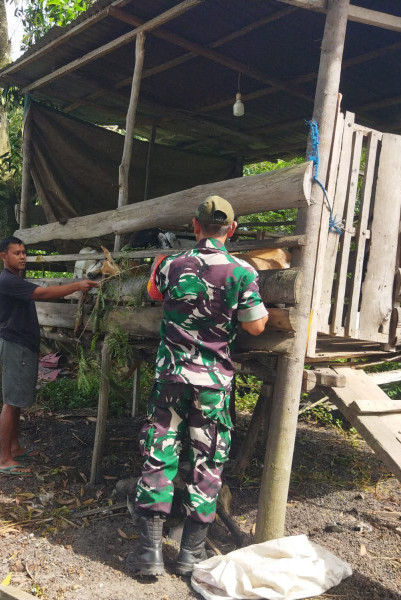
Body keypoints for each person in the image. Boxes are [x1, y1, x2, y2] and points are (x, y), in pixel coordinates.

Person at [126, 196, 269, 576]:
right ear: (232, 229)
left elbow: (153, 295)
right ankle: (190, 554)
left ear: (194, 226)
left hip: (171, 377)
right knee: (208, 462)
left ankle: (149, 554)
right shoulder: (242, 271)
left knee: (160, 454)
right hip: (211, 384)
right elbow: (256, 326)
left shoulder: (170, 263)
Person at [0, 236, 99, 476]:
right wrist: (76, 286)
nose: (22, 256)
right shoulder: (8, 281)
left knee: (18, 400)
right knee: (11, 402)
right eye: (16, 253)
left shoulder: (15, 279)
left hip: (22, 344)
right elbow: (42, 294)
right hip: (16, 346)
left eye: (24, 252)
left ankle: (14, 447)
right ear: (4, 256)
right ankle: (4, 459)